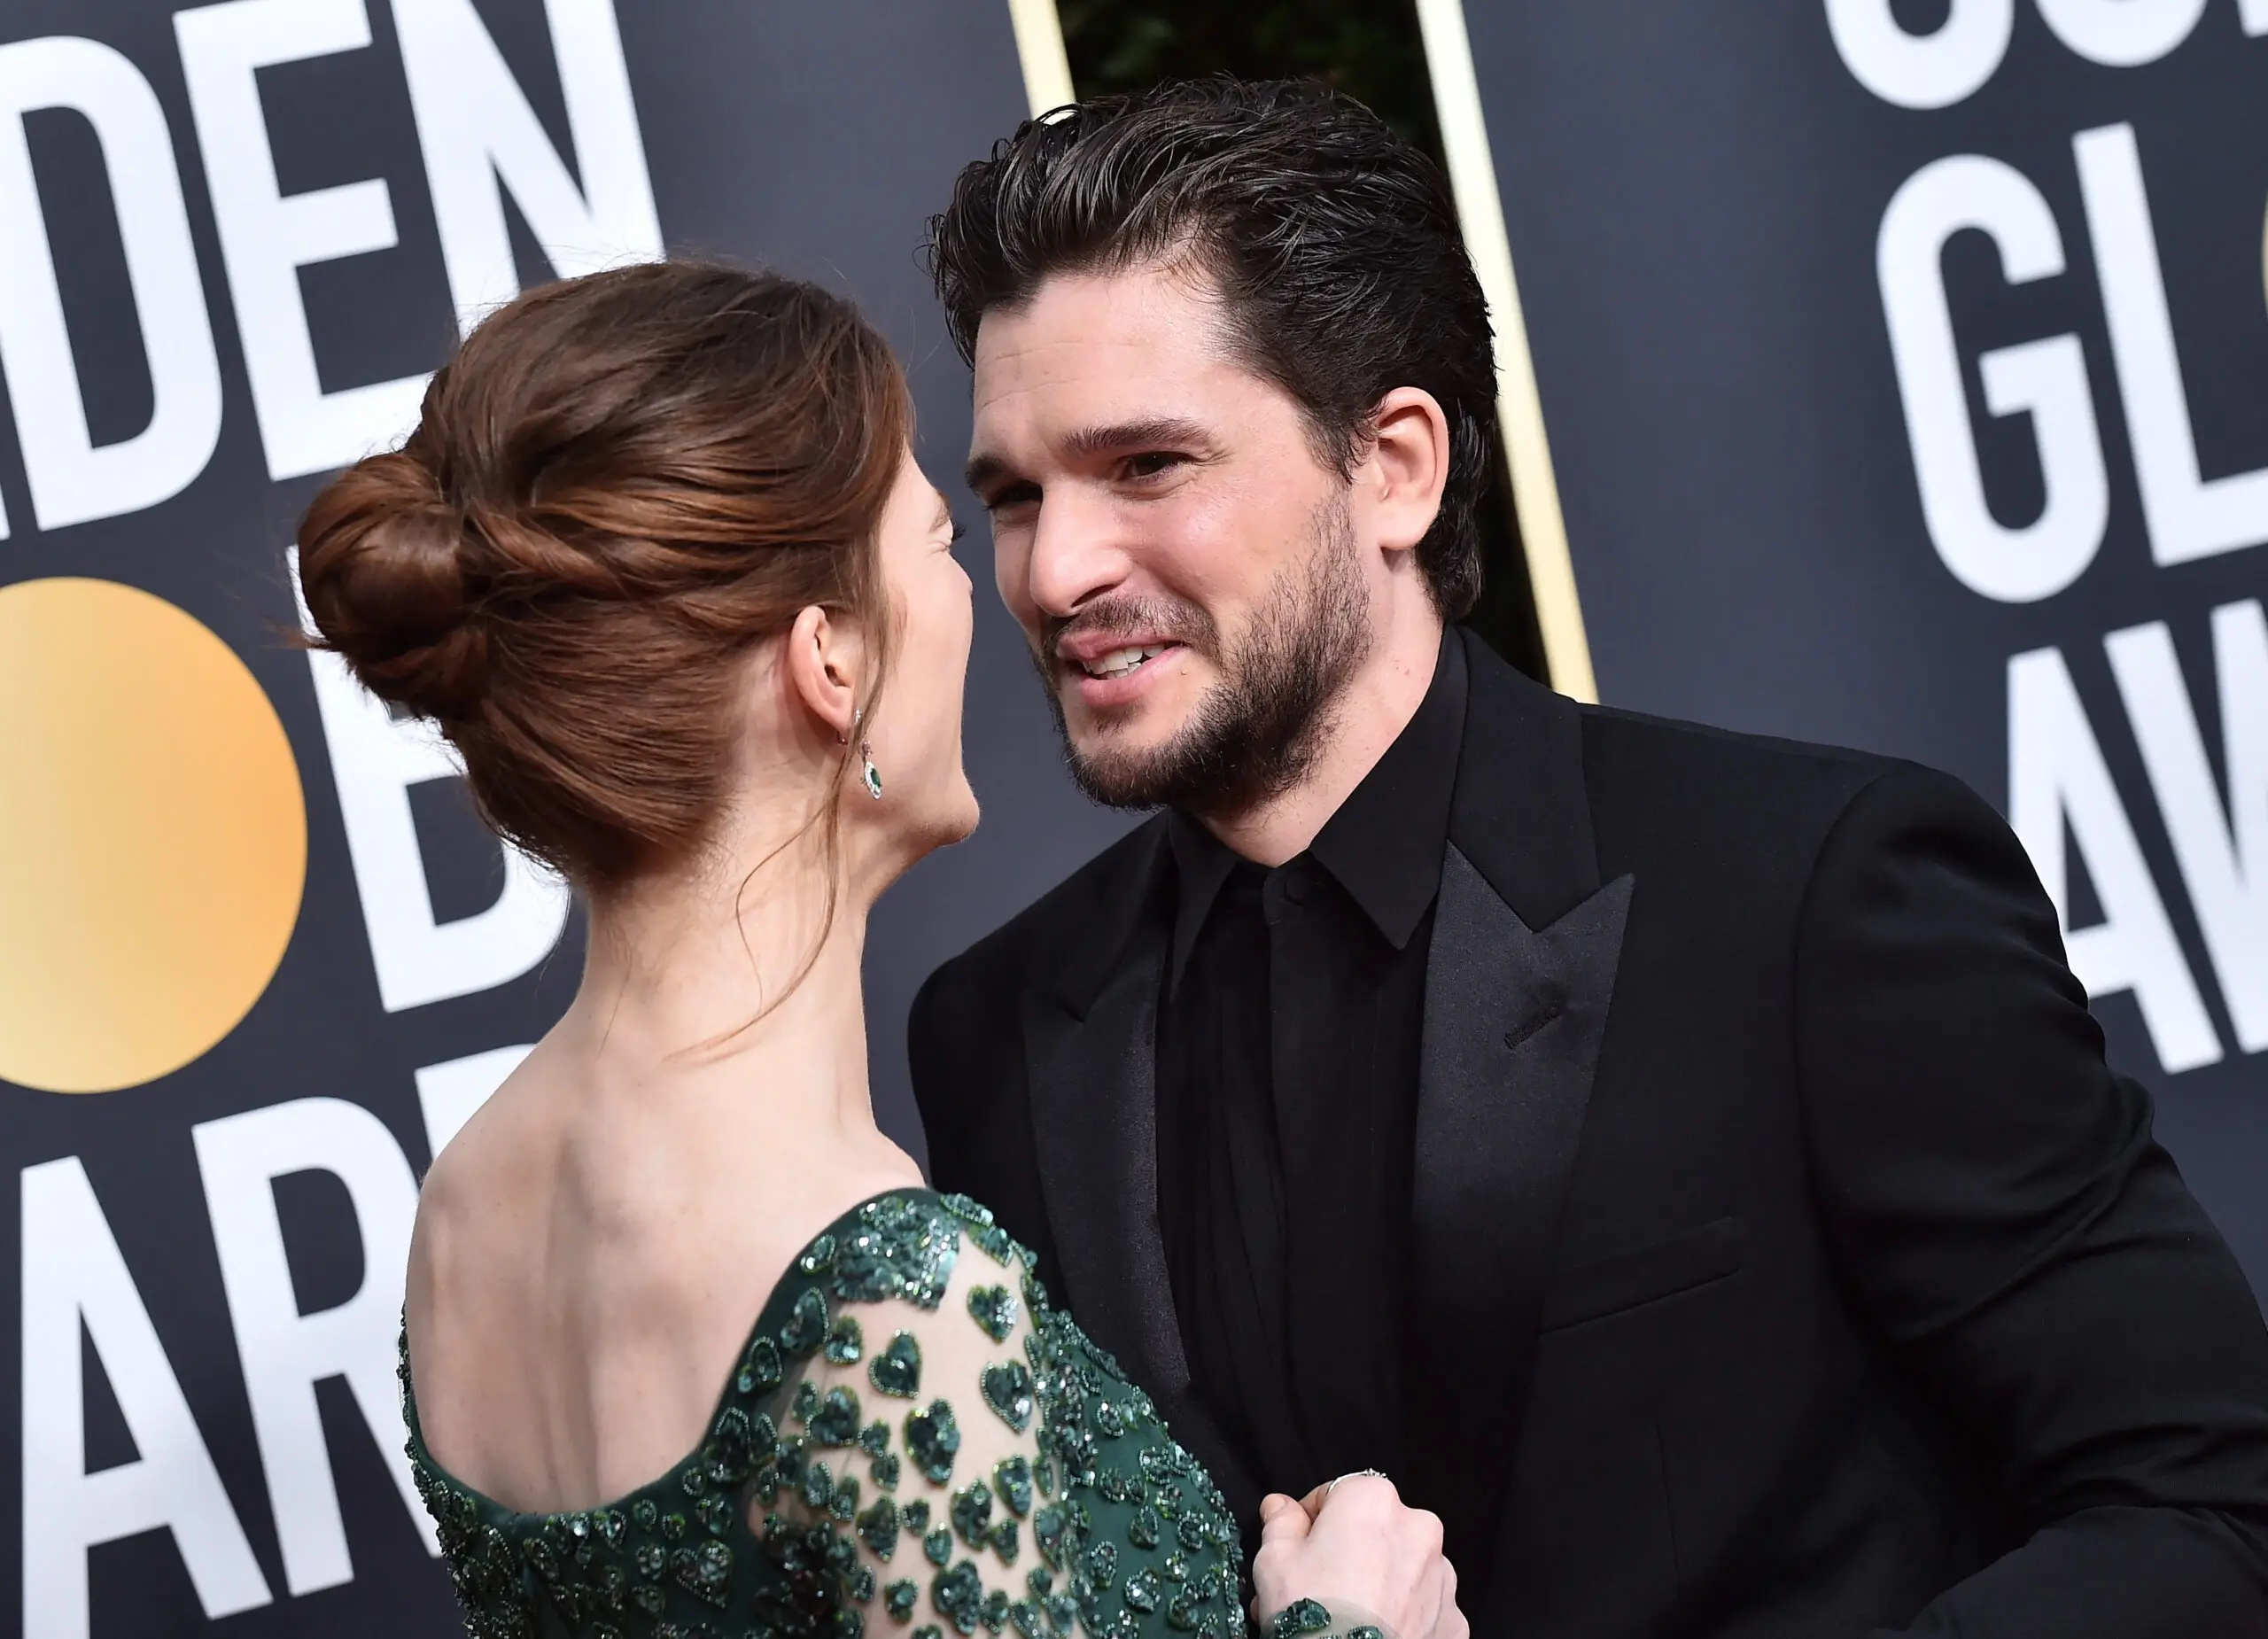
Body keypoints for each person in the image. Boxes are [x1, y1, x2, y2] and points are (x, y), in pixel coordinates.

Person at [907, 78, 2268, 1636]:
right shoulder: (1000, 1033)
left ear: (1396, 466)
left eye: (1147, 466)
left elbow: (2213, 1513)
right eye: (1014, 495)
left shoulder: (1809, 895)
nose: (1060, 566)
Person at [299, 261, 1465, 1639]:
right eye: (938, 542)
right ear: (833, 662)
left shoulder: (466, 1210)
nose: (1009, 594)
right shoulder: (888, 1295)